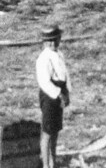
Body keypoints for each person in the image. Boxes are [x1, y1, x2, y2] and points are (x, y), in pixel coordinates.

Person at [36, 25, 70, 168]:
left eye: (55, 40)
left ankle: (53, 162)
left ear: (59, 39)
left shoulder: (59, 54)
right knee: (47, 132)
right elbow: (44, 82)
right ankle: (45, 164)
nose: (53, 44)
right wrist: (58, 94)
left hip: (60, 93)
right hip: (50, 95)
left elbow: (65, 75)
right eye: (49, 41)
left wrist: (67, 92)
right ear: (44, 42)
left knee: (55, 130)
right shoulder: (43, 58)